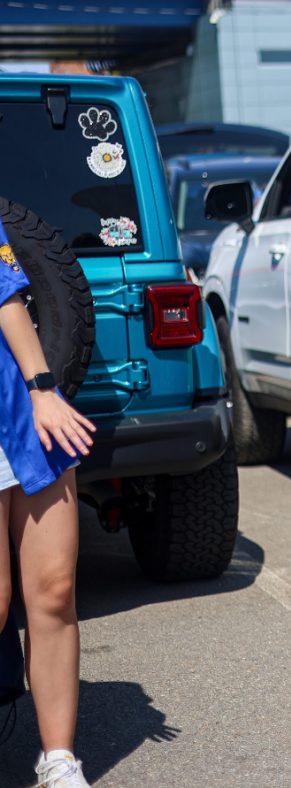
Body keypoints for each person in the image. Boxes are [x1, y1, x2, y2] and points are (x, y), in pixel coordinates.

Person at [0, 225, 96, 787]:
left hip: (23, 406)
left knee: (55, 589)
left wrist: (42, 388)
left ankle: (58, 758)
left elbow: (6, 296)